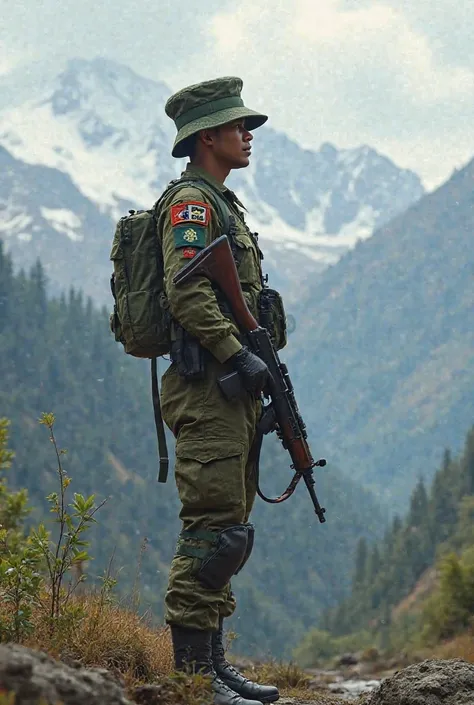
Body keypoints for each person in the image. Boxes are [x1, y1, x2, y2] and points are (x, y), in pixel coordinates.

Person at [159, 76, 282, 705]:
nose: (248, 135)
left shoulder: (221, 204)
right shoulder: (190, 206)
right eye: (239, 127)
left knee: (230, 529)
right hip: (207, 387)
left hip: (229, 389)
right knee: (211, 531)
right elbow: (187, 292)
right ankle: (193, 680)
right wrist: (238, 354)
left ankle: (212, 663)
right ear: (208, 136)